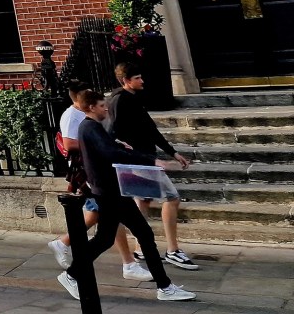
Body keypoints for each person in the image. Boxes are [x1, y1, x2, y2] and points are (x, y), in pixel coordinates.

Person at [57, 90, 195, 303]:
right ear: (92, 107)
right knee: (143, 235)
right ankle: (165, 287)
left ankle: (72, 274)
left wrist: (118, 144)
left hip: (109, 191)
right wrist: (151, 160)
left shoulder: (90, 127)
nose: (106, 108)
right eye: (102, 105)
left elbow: (108, 149)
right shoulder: (90, 127)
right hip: (110, 193)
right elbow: (111, 154)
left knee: (105, 239)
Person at [108, 62, 198, 271]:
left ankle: (140, 247)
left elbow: (150, 130)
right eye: (137, 77)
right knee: (172, 198)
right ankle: (173, 250)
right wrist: (124, 148)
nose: (142, 81)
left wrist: (172, 152)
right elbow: (113, 131)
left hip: (145, 156)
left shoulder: (132, 99)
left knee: (144, 201)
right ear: (126, 81)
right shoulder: (120, 101)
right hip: (139, 160)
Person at [49, 87, 142, 279]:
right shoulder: (75, 118)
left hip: (100, 175)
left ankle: (127, 263)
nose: (104, 108)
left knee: (102, 222)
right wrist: (102, 145)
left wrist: (109, 143)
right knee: (104, 225)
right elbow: (69, 144)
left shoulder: (89, 120)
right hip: (90, 174)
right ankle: (127, 263)